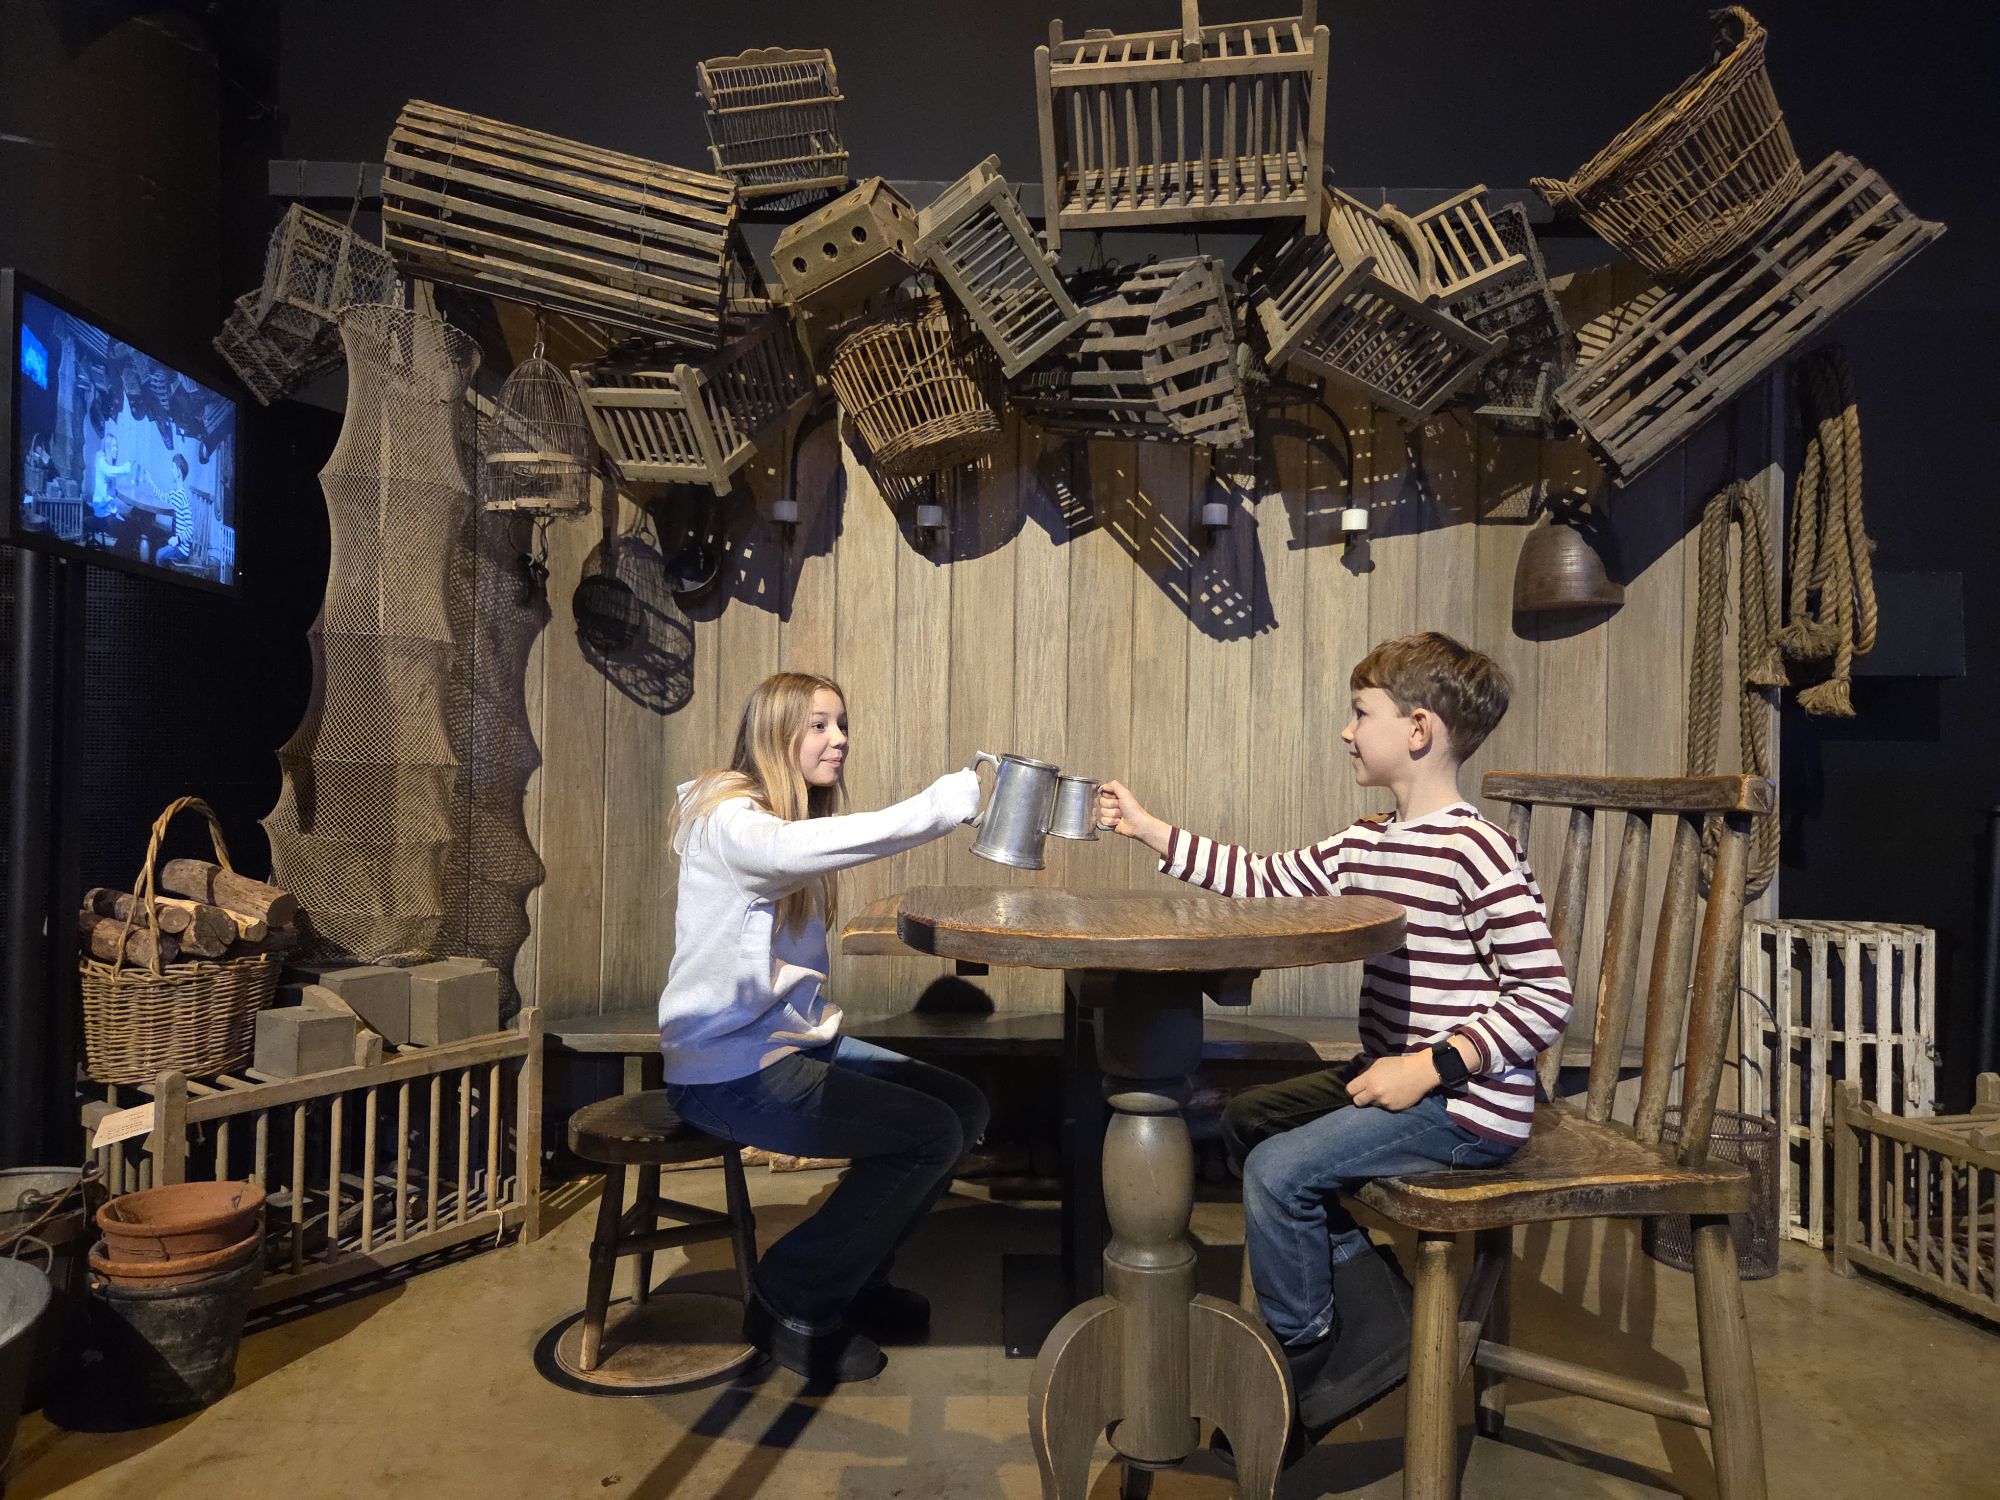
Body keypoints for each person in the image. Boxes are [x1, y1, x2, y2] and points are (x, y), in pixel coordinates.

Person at [1096, 631, 1572, 1457]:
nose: (1348, 732)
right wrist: (1149, 830)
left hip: (1466, 1106)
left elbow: (1546, 995)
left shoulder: (1477, 850)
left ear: (1417, 729)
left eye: (1361, 714)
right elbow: (1263, 879)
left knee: (1279, 1173)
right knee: (1246, 1121)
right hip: (1391, 1076)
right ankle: (1372, 1318)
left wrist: (1429, 1065)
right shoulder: (1367, 841)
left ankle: (1307, 1357)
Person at [659, 671, 990, 1383]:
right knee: (928, 1134)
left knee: (962, 1107)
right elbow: (786, 852)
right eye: (818, 725)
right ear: (775, 733)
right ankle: (792, 1299)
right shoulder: (729, 818)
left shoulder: (778, 819)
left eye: (841, 724)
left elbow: (797, 846)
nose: (838, 739)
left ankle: (857, 1277)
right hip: (729, 1070)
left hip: (792, 1045)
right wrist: (936, 808)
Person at [88, 428, 134, 546]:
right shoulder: (102, 462)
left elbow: (111, 493)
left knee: (131, 525)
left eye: (116, 446)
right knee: (131, 532)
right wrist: (128, 466)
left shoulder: (105, 463)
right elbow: (112, 471)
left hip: (108, 512)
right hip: (103, 515)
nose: (116, 449)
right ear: (108, 447)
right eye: (113, 446)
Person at [153, 454, 195, 567]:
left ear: (178, 473)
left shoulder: (183, 498)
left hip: (182, 549)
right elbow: (162, 497)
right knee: (156, 542)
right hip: (176, 543)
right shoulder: (174, 494)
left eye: (173, 468)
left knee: (159, 554)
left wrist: (178, 539)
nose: (171, 471)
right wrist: (150, 481)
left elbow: (190, 529)